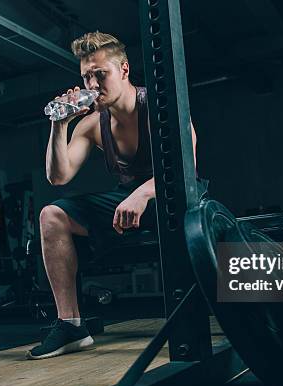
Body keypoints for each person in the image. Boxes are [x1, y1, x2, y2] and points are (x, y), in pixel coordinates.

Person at [27, 31, 206, 359]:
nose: (92, 85)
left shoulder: (158, 102)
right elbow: (58, 176)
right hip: (127, 201)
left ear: (124, 70)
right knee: (51, 215)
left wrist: (142, 194)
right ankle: (70, 326)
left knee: (179, 204)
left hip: (179, 196)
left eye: (100, 74)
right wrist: (59, 124)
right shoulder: (92, 123)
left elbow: (187, 165)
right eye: (86, 77)